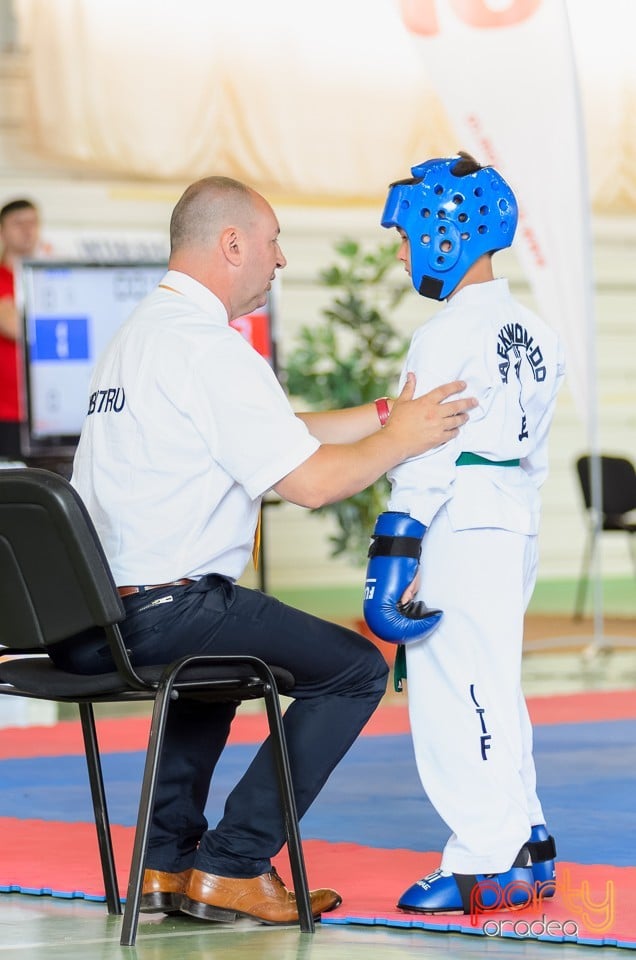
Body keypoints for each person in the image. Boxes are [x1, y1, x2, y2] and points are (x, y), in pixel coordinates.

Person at [59, 175, 477, 926]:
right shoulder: (210, 351)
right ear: (232, 244)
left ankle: (165, 862)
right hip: (168, 612)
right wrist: (402, 439)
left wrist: (384, 412)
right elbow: (312, 483)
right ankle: (235, 865)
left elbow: (276, 425)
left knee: (215, 671)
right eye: (275, 240)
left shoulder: (142, 337)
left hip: (93, 623)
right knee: (354, 671)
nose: (281, 260)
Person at [363, 153, 566, 916]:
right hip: (512, 513)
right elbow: (538, 455)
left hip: (455, 510)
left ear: (445, 232)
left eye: (407, 234)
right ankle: (526, 836)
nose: (401, 250)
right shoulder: (541, 334)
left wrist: (396, 547)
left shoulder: (446, 333)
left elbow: (425, 446)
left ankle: (489, 858)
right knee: (494, 681)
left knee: (459, 688)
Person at [0, 198, 42, 460]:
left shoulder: (44, 279)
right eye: (18, 223)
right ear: (3, 230)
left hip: (42, 416)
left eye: (33, 222)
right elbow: (14, 326)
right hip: (6, 413)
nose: (28, 230)